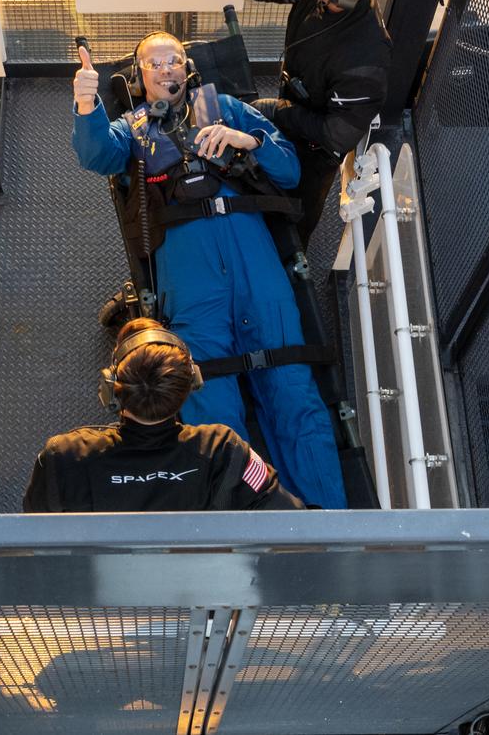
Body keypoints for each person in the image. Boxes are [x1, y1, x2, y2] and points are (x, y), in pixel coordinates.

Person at [71, 31, 347, 509]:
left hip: (256, 267)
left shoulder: (224, 109)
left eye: (173, 60)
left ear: (187, 69)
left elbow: (289, 170)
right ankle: (241, 528)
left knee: (294, 395)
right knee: (211, 412)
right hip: (191, 280)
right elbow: (96, 155)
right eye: (153, 63)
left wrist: (247, 140)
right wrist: (86, 104)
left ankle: (329, 527)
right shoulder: (132, 129)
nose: (165, 69)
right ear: (140, 78)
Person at [23, 319, 303, 511]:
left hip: (100, 596)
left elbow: (34, 535)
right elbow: (288, 518)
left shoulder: (63, 457)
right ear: (192, 383)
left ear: (111, 387)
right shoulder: (223, 450)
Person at [243, 0, 393, 244]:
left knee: (295, 217)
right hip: (290, 113)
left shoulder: (366, 57)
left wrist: (278, 110)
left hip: (314, 151)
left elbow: (338, 134)